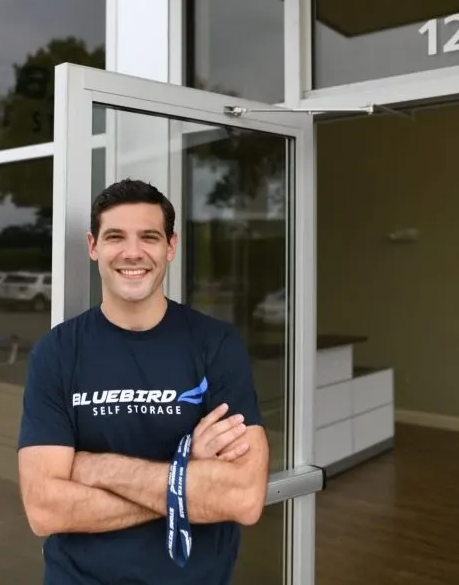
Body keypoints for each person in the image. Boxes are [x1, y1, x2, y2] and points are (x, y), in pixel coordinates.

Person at [17, 178, 270, 585]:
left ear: (170, 246)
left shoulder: (216, 345)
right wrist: (188, 476)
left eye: (149, 237)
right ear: (93, 245)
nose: (132, 252)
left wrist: (93, 468)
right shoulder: (58, 352)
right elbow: (45, 510)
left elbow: (242, 498)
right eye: (115, 236)